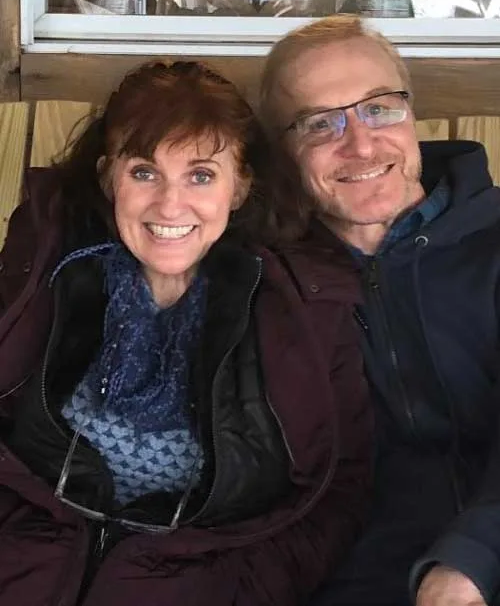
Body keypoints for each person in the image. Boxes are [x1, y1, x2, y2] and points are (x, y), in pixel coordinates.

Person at [0, 60, 372, 606]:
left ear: (240, 187)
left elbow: (337, 490)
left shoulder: (300, 306)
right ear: (108, 178)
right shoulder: (51, 266)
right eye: (143, 173)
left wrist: (236, 589)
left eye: (200, 175)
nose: (170, 205)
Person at [259, 13, 500, 606]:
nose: (361, 145)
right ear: (283, 153)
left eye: (379, 108)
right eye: (320, 123)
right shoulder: (270, 279)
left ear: (411, 112)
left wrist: (473, 561)